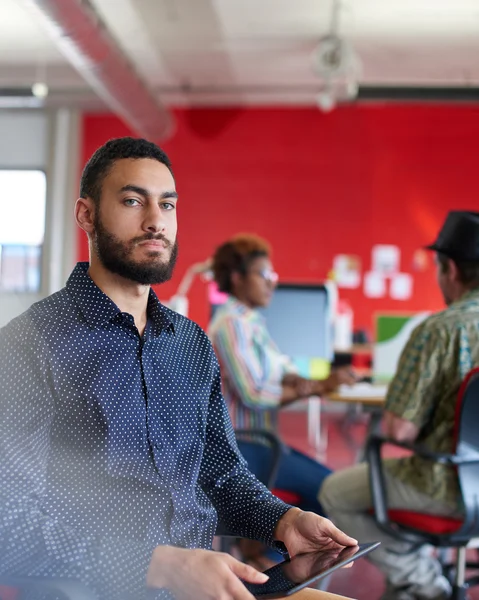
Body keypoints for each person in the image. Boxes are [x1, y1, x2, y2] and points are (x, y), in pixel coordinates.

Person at [0, 137, 357, 600]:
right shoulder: (30, 344)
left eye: (167, 205)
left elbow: (221, 475)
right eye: (133, 201)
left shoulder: (190, 345)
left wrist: (284, 521)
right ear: (86, 214)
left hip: (203, 585)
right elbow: (8, 524)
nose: (155, 222)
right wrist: (160, 566)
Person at [319, 211, 479, 600]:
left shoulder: (438, 330)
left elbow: (397, 431)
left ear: (451, 269)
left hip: (448, 485)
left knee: (334, 491)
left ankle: (425, 582)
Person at [208, 234, 357, 518]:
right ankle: (270, 556)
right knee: (331, 490)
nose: (272, 281)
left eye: (272, 274)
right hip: (241, 447)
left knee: (327, 487)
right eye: (263, 274)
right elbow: (254, 394)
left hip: (260, 442)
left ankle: (265, 551)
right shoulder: (232, 325)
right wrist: (319, 387)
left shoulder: (251, 322)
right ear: (237, 278)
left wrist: (296, 380)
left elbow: (280, 365)